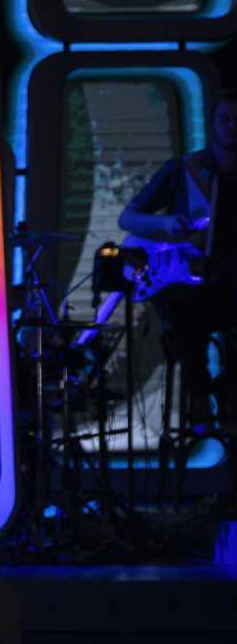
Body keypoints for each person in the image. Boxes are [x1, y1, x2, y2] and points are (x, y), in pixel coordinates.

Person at [119, 87, 237, 436]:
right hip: (193, 287)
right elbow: (128, 219)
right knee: (179, 309)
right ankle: (200, 394)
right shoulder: (184, 169)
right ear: (213, 124)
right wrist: (167, 224)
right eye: (226, 119)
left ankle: (225, 397)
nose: (233, 126)